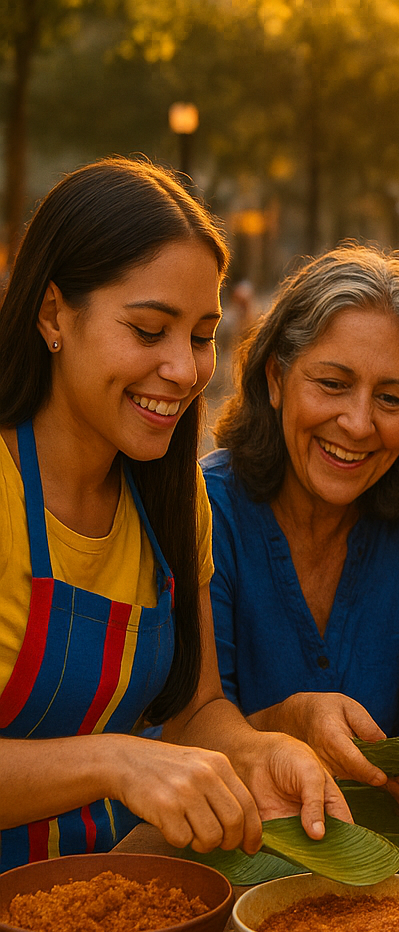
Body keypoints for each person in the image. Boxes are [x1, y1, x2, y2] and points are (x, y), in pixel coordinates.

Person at [0, 158, 344, 870]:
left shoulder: (176, 498)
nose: (187, 372)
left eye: (200, 335)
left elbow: (193, 710)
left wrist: (258, 753)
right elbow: (129, 758)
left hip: (100, 916)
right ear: (52, 314)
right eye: (149, 329)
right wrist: (116, 763)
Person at [204, 245, 399, 826]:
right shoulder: (208, 507)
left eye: (390, 399)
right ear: (276, 377)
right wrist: (291, 719)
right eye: (332, 384)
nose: (359, 424)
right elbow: (193, 720)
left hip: (398, 865)